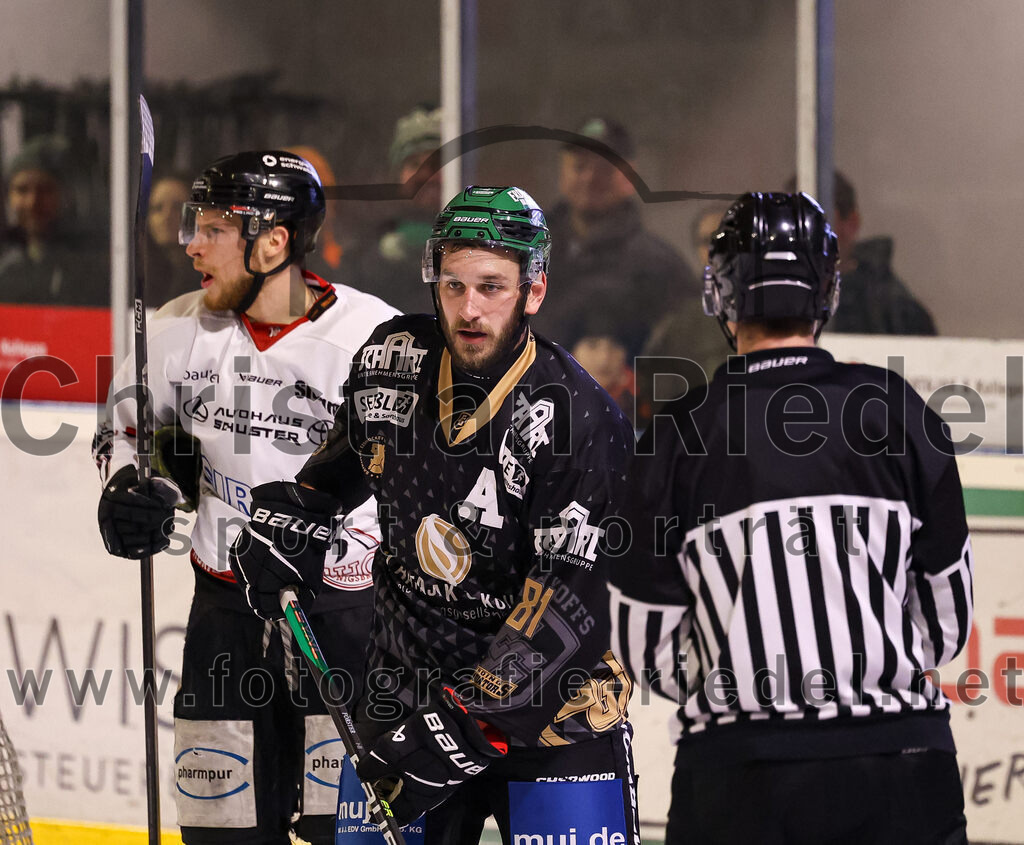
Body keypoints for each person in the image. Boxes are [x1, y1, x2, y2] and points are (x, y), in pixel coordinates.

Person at [229, 186, 641, 841]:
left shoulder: (579, 420)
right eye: (453, 285)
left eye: (492, 287)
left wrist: (471, 716)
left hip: (552, 715)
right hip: (404, 694)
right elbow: (337, 472)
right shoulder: (391, 361)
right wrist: (297, 519)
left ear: (533, 291)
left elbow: (565, 600)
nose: (470, 309)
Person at [610, 191, 973, 844]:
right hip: (901, 767)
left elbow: (648, 644)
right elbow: (945, 624)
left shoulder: (675, 435)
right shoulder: (896, 409)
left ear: (720, 294)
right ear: (826, 291)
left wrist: (743, 684)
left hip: (738, 775)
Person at [93, 150, 399, 845]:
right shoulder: (173, 331)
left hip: (349, 627)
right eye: (191, 225)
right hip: (225, 623)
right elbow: (129, 436)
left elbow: (419, 472)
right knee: (220, 836)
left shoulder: (372, 337)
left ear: (274, 240)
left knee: (343, 835)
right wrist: (129, 489)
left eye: (213, 228)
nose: (192, 244)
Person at [530, 117, 700, 371]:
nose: (590, 178)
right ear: (562, 172)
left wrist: (631, 380)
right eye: (579, 166)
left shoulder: (661, 267)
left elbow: (692, 357)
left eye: (604, 169)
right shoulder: (523, 254)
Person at [788, 170, 937, 335]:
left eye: (817, 223)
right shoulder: (773, 299)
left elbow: (899, 359)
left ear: (851, 223)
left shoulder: (891, 310)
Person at [339, 104, 444, 315]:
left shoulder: (487, 245)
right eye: (414, 164)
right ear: (398, 174)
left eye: (438, 163)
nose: (425, 176)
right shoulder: (363, 252)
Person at [636, 203, 730, 425]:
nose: (717, 248)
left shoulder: (774, 310)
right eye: (708, 241)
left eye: (726, 236)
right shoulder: (679, 325)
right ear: (698, 251)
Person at [0, 134, 109, 307]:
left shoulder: (92, 270)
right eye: (22, 190)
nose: (32, 202)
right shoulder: (7, 269)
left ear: (66, 195)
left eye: (44, 189)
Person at [146, 173, 201, 306]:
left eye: (177, 207)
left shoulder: (208, 275)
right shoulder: (132, 275)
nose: (167, 216)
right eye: (158, 208)